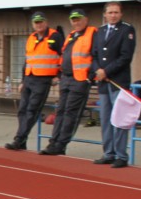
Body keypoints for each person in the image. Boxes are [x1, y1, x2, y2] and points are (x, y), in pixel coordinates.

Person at [41, 9, 98, 156]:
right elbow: (65, 55)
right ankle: (54, 142)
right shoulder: (71, 35)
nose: (76, 22)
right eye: (73, 20)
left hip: (79, 80)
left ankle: (61, 144)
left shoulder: (93, 33)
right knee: (60, 111)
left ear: (86, 19)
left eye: (78, 19)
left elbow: (97, 55)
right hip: (66, 79)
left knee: (71, 113)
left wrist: (90, 76)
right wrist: (59, 73)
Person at [6, 12, 64, 150]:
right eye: (36, 22)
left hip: (43, 79)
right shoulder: (31, 38)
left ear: (46, 22)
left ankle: (19, 139)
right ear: (33, 24)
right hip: (29, 78)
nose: (38, 25)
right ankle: (22, 139)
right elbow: (27, 60)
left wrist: (59, 75)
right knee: (22, 110)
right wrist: (22, 80)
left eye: (41, 22)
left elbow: (64, 56)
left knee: (32, 110)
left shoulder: (55, 36)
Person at [91, 1, 136, 168]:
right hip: (103, 83)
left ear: (121, 14)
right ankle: (108, 152)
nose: (113, 15)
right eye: (110, 12)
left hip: (117, 82)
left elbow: (125, 57)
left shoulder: (127, 29)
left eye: (116, 12)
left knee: (119, 120)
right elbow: (94, 54)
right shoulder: (101, 31)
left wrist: (106, 71)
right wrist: (98, 70)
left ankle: (121, 155)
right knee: (105, 119)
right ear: (105, 14)